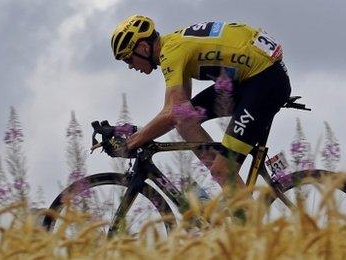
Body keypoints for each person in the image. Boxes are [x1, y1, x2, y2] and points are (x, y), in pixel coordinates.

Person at [110, 15, 291, 191]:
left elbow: (172, 113)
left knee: (222, 169)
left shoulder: (171, 54)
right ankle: (224, 181)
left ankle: (232, 190)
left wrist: (130, 143)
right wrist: (135, 134)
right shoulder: (173, 44)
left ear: (143, 48)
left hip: (264, 82)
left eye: (128, 58)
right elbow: (175, 111)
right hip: (255, 77)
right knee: (186, 119)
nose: (130, 66)